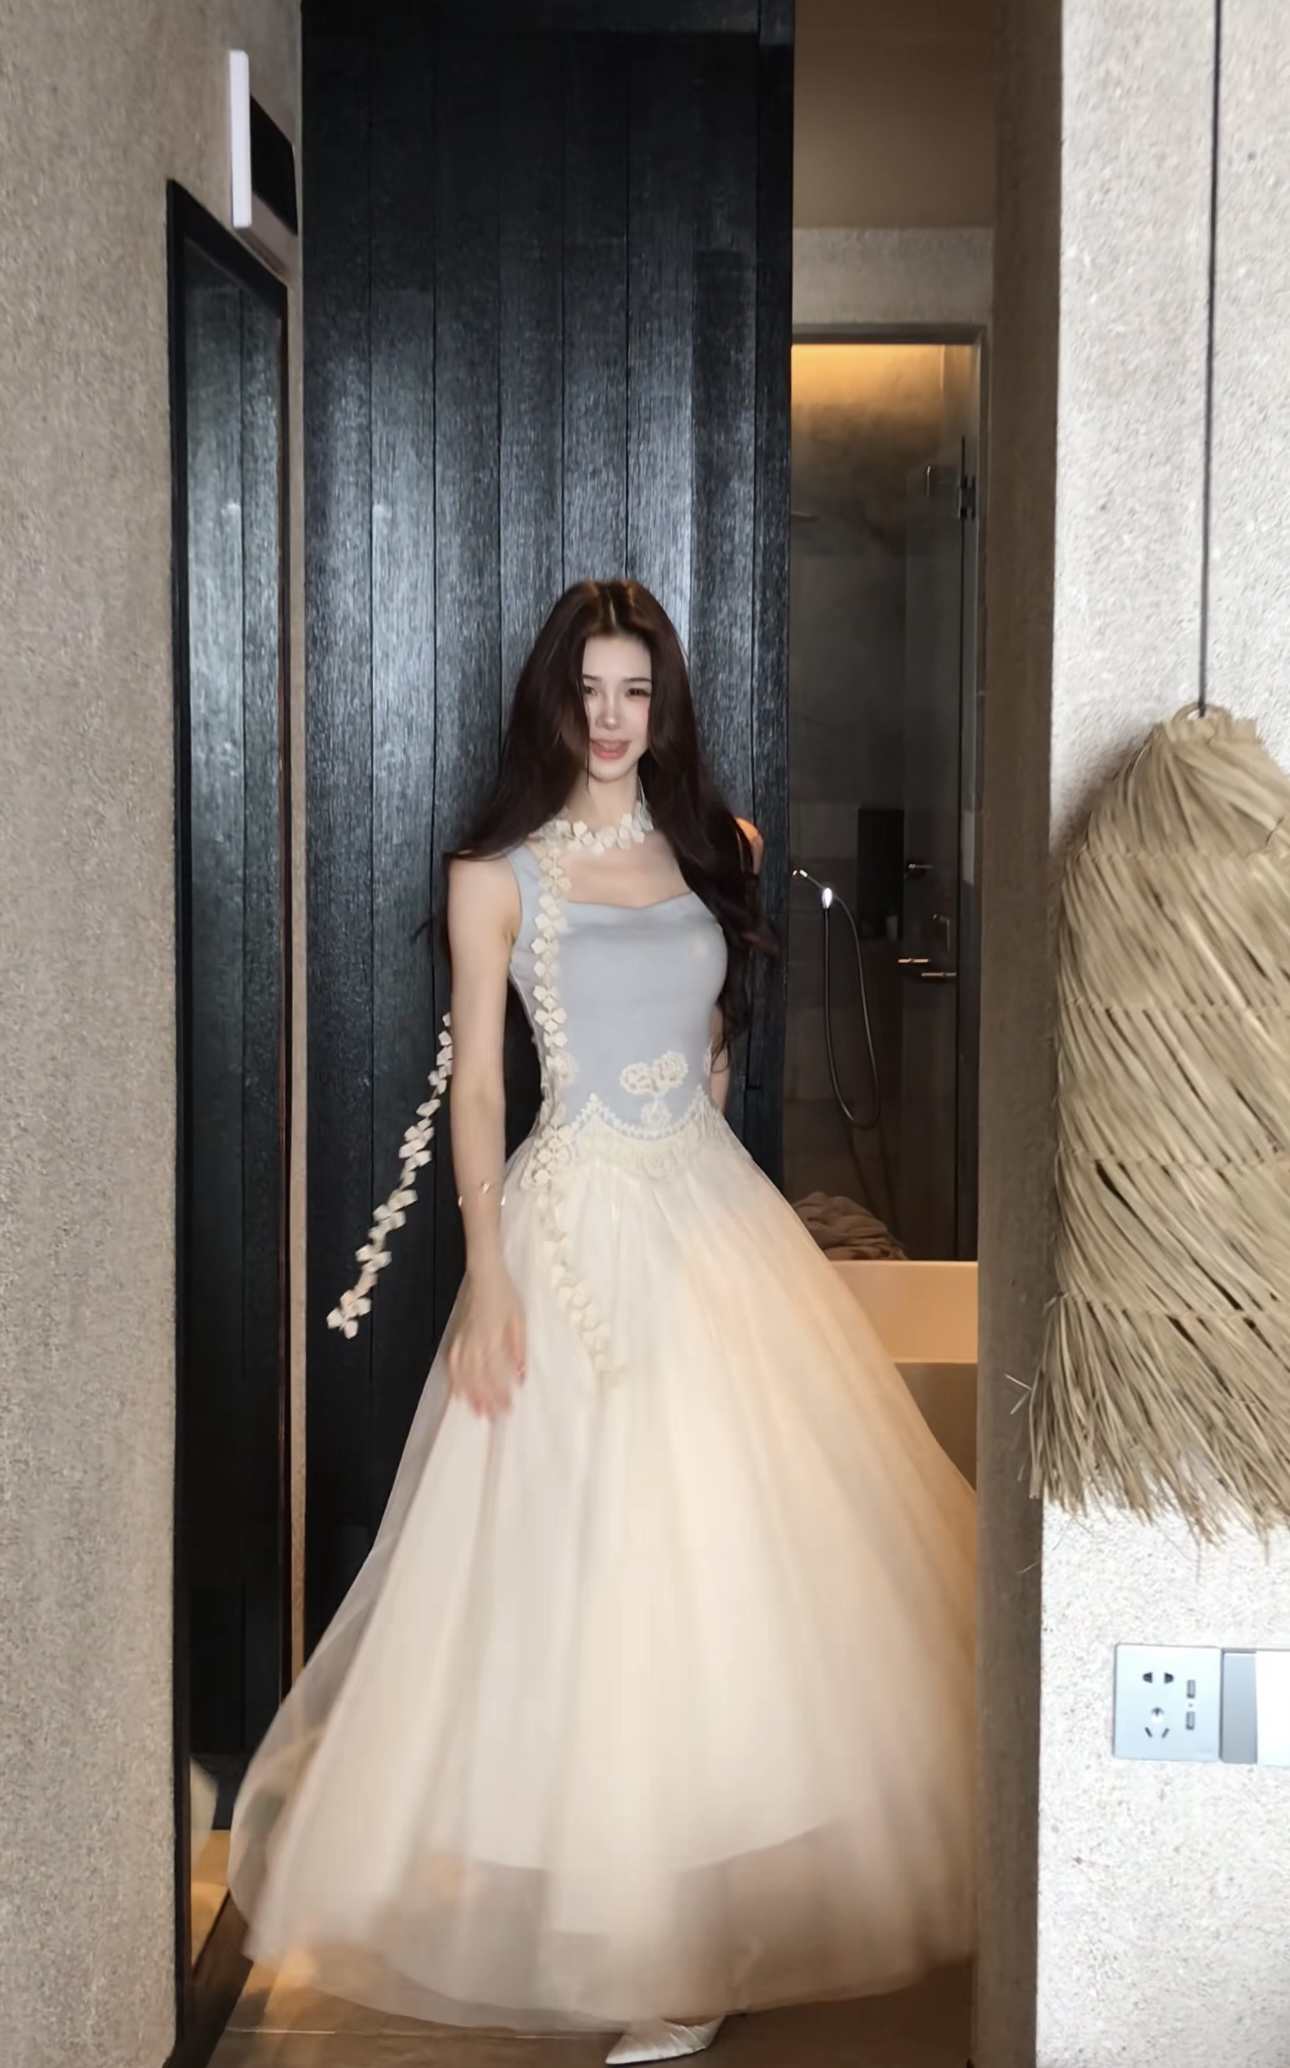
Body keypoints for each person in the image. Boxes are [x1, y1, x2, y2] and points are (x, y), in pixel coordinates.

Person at [228, 579, 975, 2065]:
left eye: (636, 691)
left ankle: (693, 1931)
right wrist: (489, 1277)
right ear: (554, 704)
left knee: (723, 1565)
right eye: (590, 693)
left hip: (708, 1224)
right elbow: (483, 1089)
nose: (614, 719)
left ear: (663, 702)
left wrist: (712, 1130)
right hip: (570, 1231)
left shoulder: (719, 846)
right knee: (587, 1568)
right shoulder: (496, 874)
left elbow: (711, 1052)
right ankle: (610, 1920)